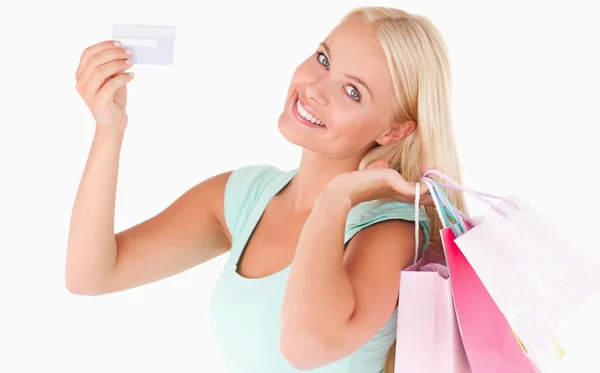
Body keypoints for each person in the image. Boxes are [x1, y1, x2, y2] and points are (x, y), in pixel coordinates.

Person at [67, 6, 467, 373]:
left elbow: (304, 346)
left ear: (393, 131)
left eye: (352, 91)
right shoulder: (248, 197)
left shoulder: (390, 232)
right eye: (324, 60)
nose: (314, 89)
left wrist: (336, 199)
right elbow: (92, 275)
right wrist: (109, 130)